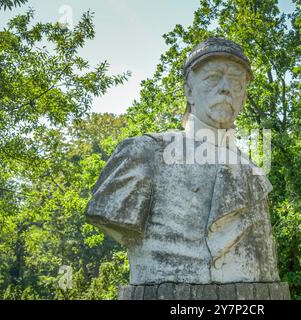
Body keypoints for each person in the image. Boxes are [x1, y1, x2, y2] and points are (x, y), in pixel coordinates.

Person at [86, 38, 280, 285]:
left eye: (235, 81)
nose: (225, 88)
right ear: (189, 90)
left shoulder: (254, 175)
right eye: (213, 77)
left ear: (243, 95)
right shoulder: (145, 153)